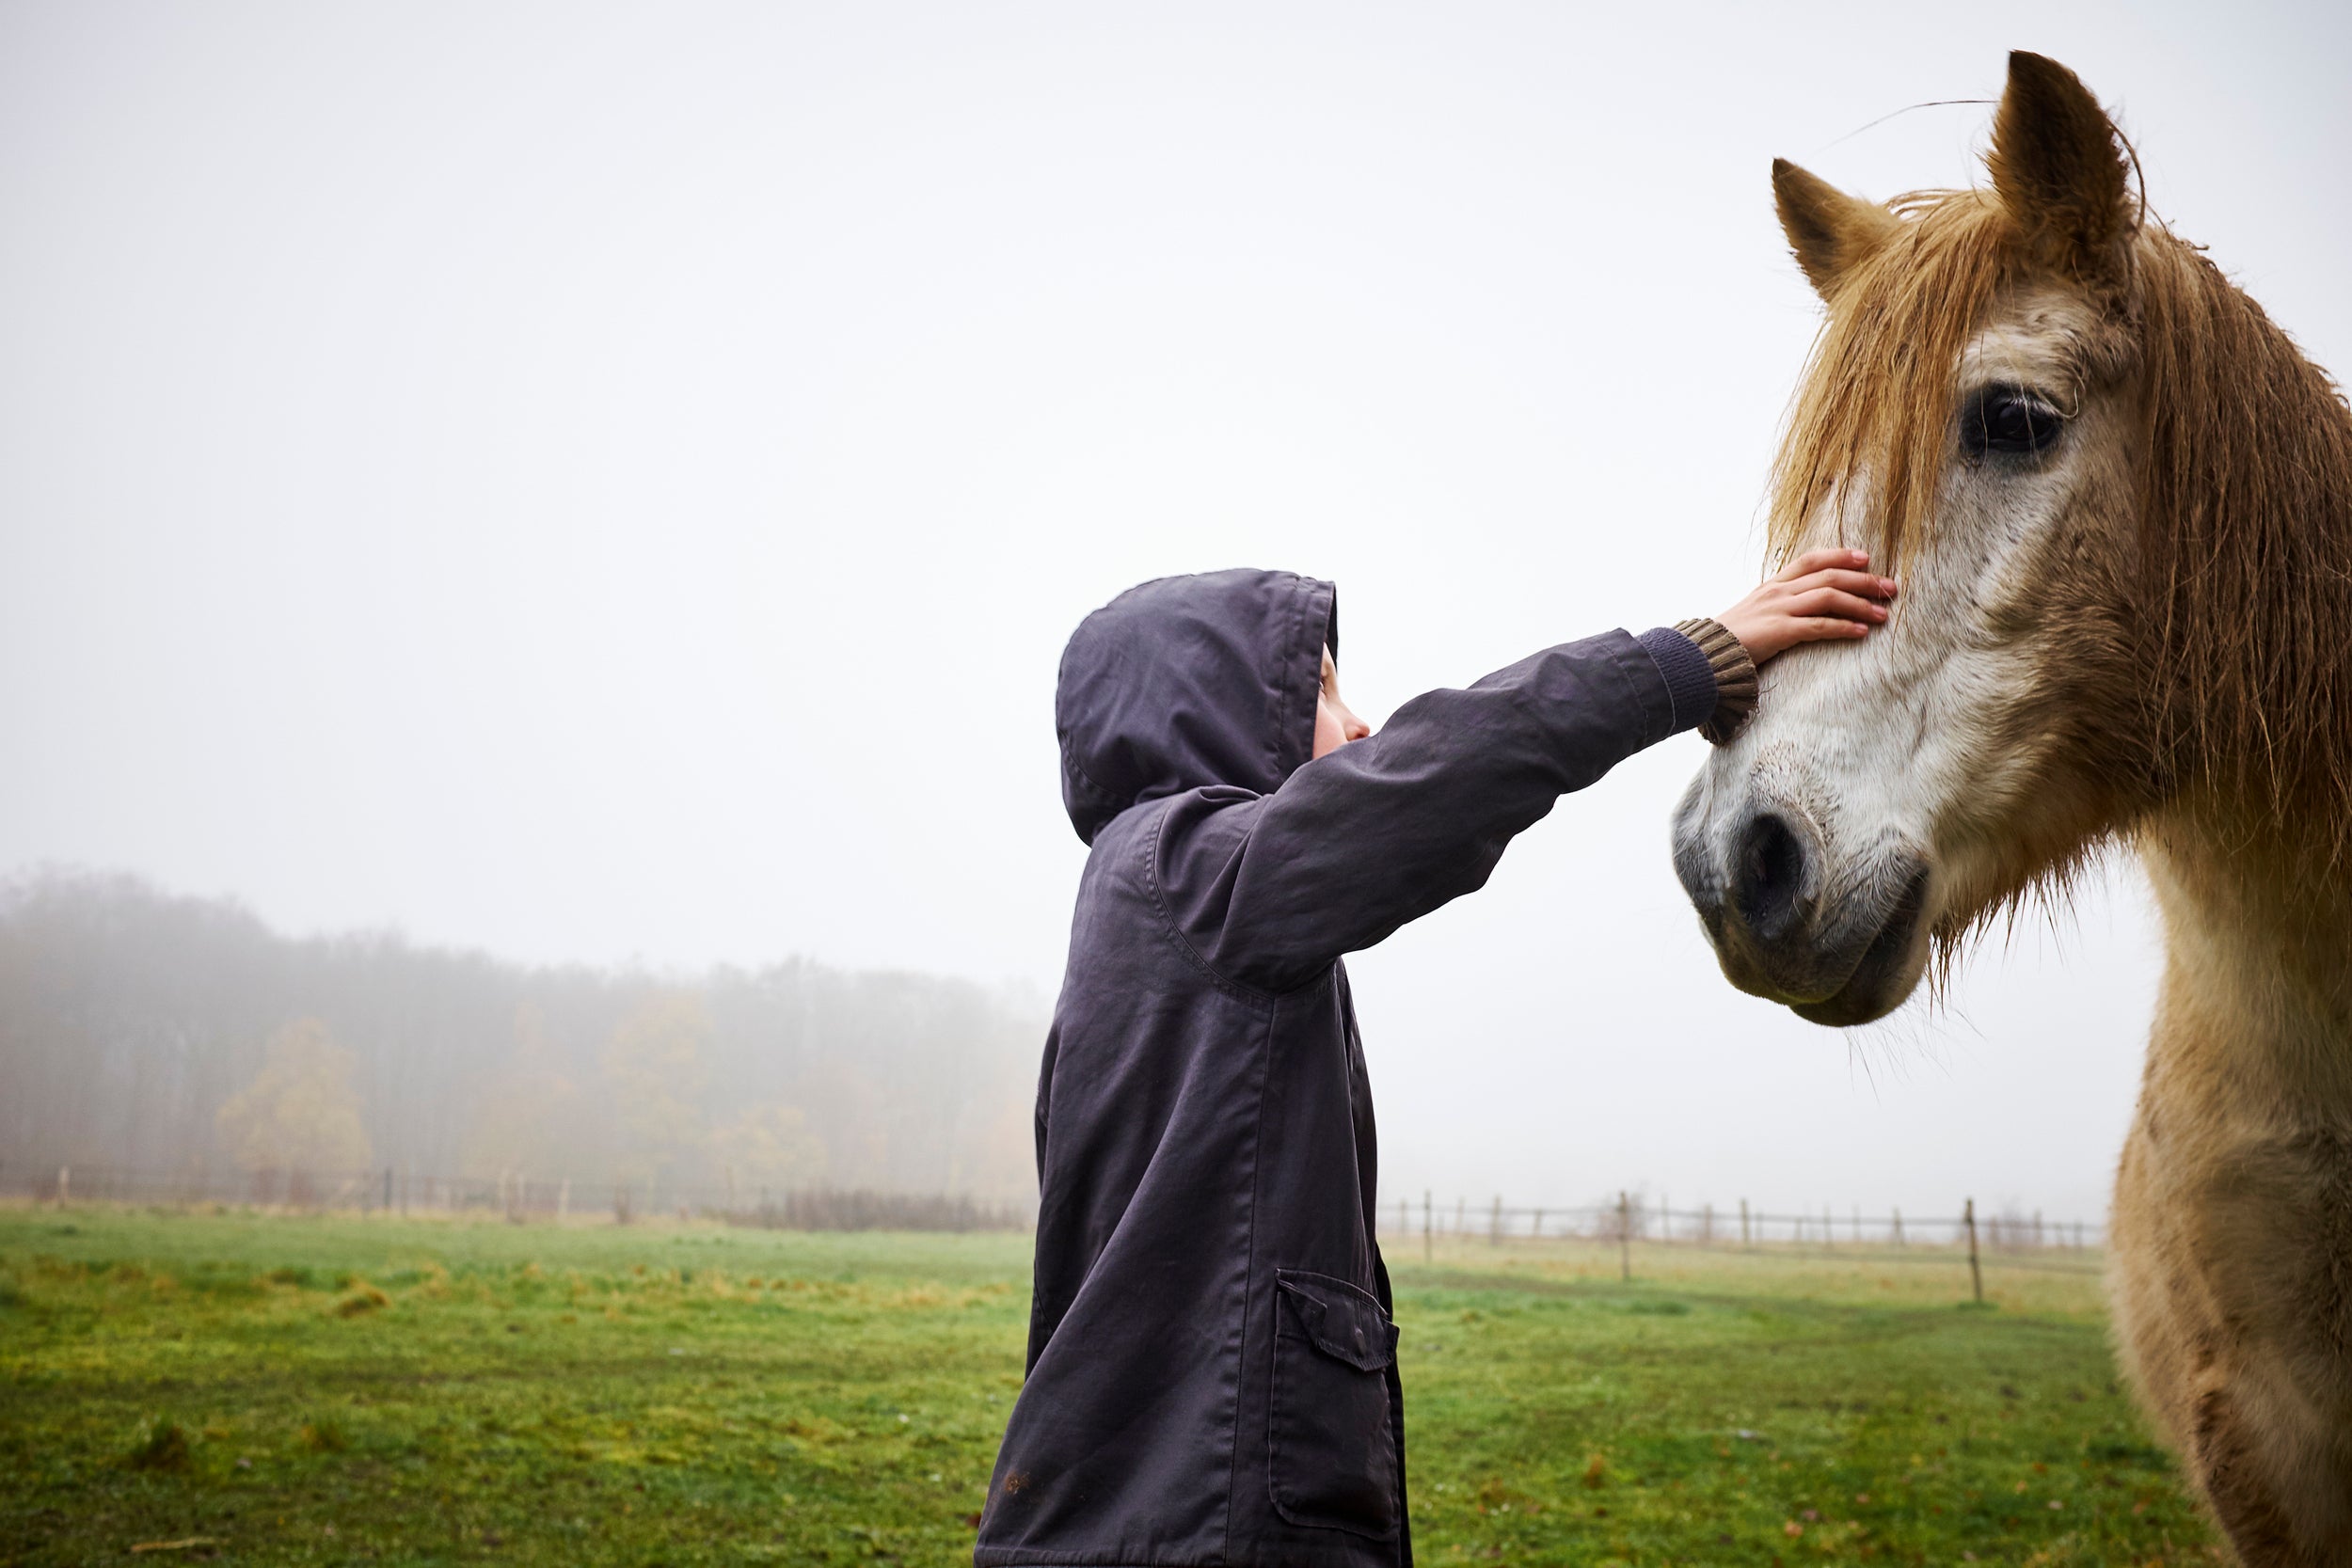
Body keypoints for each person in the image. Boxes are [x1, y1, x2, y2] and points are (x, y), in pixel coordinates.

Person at [977, 552, 1895, 1568]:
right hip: (1199, 1514)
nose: (1359, 722)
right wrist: (1678, 664)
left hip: (1150, 1505)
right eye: (1317, 692)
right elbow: (1438, 773)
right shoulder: (1188, 874)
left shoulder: (1158, 908)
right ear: (1212, 714)